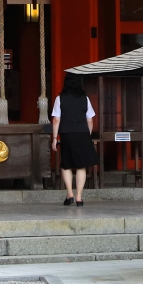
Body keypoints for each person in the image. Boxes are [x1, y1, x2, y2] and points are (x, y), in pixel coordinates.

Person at [52, 75, 98, 207]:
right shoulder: (85, 99)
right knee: (81, 165)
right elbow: (90, 120)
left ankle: (70, 194)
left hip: (67, 133)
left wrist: (55, 138)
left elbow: (56, 120)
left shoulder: (60, 99)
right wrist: (87, 135)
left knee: (66, 164)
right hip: (83, 133)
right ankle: (79, 197)